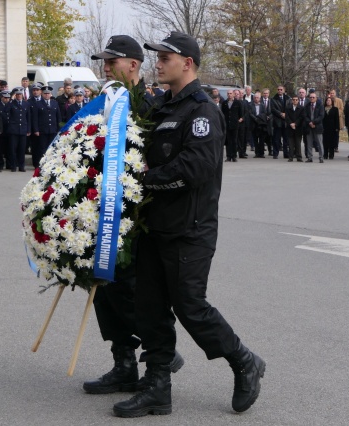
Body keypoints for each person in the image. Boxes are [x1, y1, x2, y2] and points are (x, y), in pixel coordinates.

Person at [112, 31, 265, 418]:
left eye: (165, 58)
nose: (158, 63)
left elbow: (196, 168)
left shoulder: (202, 111)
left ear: (188, 64)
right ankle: (157, 387)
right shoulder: (162, 109)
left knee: (190, 306)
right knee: (150, 309)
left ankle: (244, 361)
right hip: (154, 226)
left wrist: (144, 180)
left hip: (189, 229)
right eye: (157, 57)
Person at [85, 34, 184, 397]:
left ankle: (158, 354)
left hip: (137, 215)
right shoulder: (104, 102)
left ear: (132, 64)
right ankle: (123, 363)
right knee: (101, 287)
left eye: (112, 61)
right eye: (104, 62)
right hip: (100, 210)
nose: (106, 67)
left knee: (128, 287)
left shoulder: (152, 104)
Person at [32, 86, 61, 169]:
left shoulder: (54, 103)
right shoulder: (37, 104)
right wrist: (36, 130)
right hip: (42, 130)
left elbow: (58, 117)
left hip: (53, 129)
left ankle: (51, 163)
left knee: (51, 147)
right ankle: (42, 164)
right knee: (42, 148)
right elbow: (35, 118)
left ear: (51, 94)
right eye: (45, 93)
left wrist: (59, 129)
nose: (47, 95)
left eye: (48, 93)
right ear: (42, 94)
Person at [4, 87, 30, 172]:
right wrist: (11, 99)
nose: (19, 96)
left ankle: (21, 166)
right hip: (13, 130)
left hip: (23, 129)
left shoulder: (26, 104)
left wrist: (28, 129)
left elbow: (28, 117)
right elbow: (6, 110)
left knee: (22, 149)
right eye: (17, 94)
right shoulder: (11, 103)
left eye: (20, 94)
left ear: (22, 95)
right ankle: (13, 166)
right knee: (13, 149)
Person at [221, 89, 242, 162]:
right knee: (228, 141)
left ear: (233, 94)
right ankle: (228, 156)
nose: (229, 95)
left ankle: (234, 156)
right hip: (227, 124)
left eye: (230, 93)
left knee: (234, 141)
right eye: (228, 93)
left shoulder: (237, 103)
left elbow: (241, 113)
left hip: (235, 124)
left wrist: (240, 119)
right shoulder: (224, 103)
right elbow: (222, 113)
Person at [304, 92, 324, 163]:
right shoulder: (307, 106)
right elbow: (305, 116)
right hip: (309, 127)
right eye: (310, 97)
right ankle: (310, 157)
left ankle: (321, 157)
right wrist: (309, 122)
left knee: (319, 143)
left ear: (316, 98)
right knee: (309, 143)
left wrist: (314, 122)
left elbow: (321, 116)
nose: (312, 98)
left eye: (313, 97)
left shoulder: (320, 105)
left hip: (317, 126)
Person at [271, 85, 290, 159]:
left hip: (286, 121)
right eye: (278, 89)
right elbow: (273, 109)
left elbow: (290, 108)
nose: (279, 91)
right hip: (277, 121)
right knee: (276, 139)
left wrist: (286, 114)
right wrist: (281, 114)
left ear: (284, 90)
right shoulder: (273, 99)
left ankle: (286, 153)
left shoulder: (288, 99)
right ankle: (275, 153)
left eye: (281, 89)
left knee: (286, 139)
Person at [249, 91, 269, 158]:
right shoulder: (251, 105)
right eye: (255, 97)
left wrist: (259, 118)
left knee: (261, 140)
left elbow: (264, 113)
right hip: (254, 124)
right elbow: (250, 113)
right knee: (255, 139)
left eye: (257, 97)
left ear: (260, 98)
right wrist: (255, 118)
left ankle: (262, 153)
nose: (256, 99)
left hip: (261, 124)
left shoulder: (262, 105)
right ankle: (257, 153)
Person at [285, 95, 305, 162]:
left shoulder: (301, 108)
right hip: (290, 128)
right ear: (292, 100)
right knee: (290, 144)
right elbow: (287, 117)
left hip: (298, 128)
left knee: (298, 143)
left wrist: (295, 123)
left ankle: (299, 157)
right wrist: (291, 123)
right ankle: (290, 157)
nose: (295, 101)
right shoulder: (288, 108)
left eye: (296, 100)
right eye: (293, 99)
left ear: (298, 101)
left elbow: (301, 117)